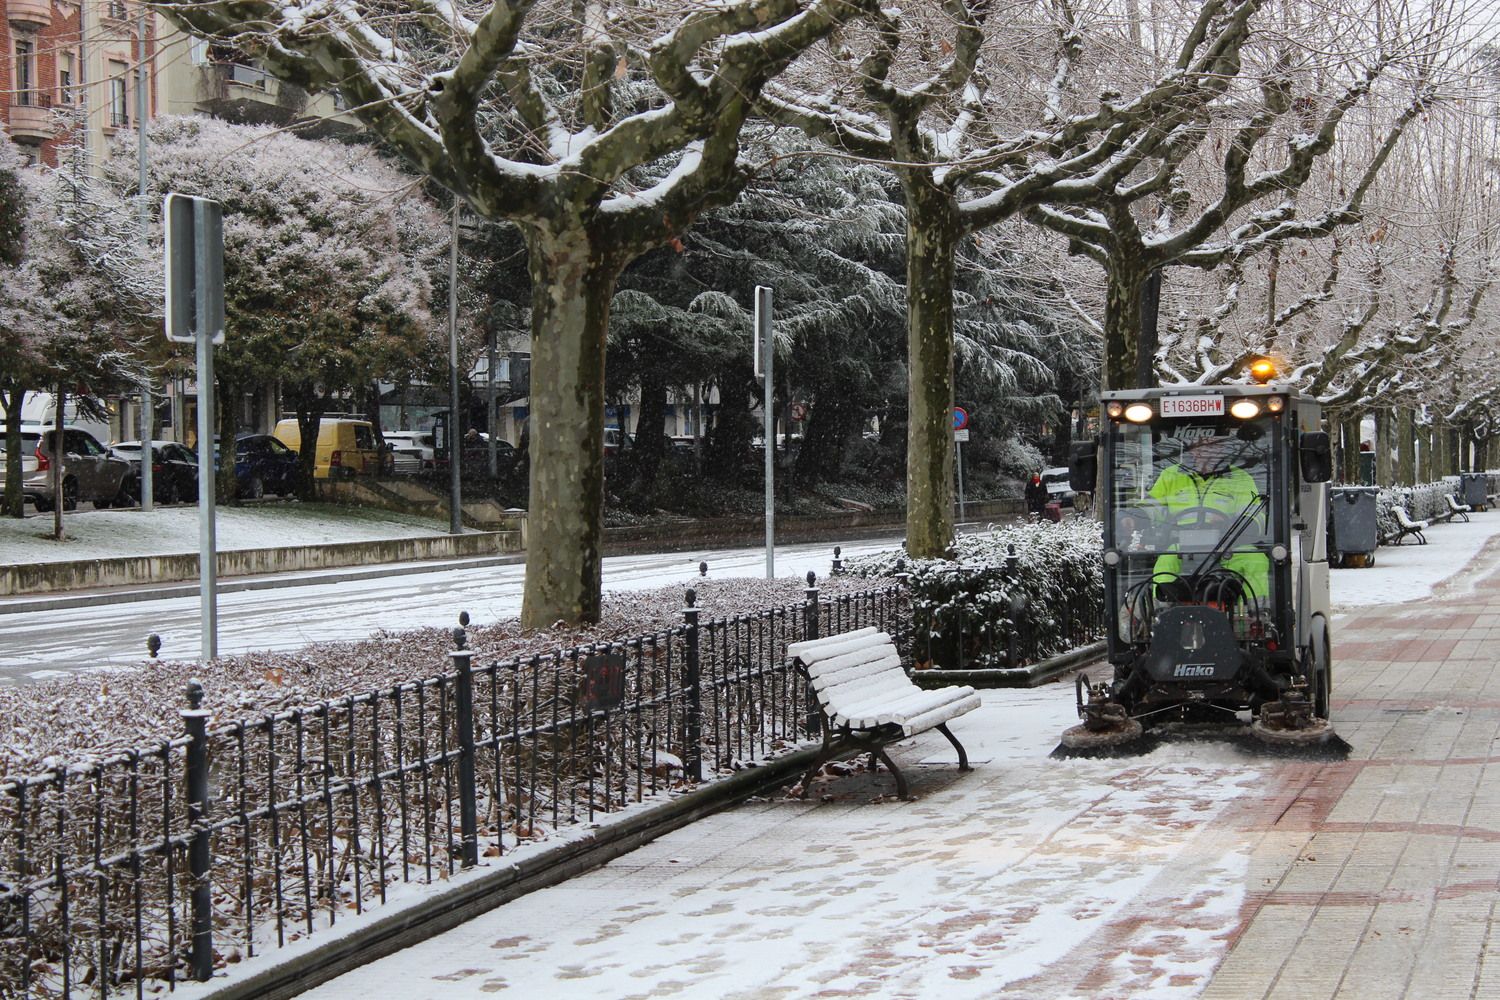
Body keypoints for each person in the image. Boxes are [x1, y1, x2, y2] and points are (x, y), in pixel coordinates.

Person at [1147, 433, 1268, 603]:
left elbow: (1255, 515)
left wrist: (1232, 525)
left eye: (1215, 445)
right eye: (1202, 444)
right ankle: (1161, 614)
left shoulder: (1240, 478)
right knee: (1165, 562)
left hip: (1227, 547)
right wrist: (1129, 519)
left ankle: (1253, 617)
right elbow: (1152, 509)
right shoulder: (1170, 476)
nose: (1207, 450)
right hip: (1181, 546)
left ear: (1223, 449)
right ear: (1193, 449)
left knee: (1255, 559)